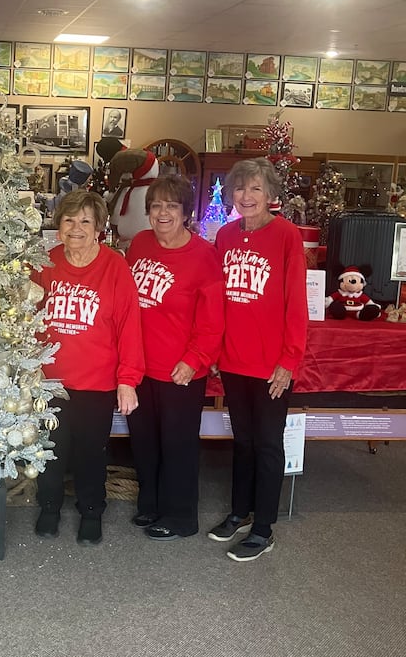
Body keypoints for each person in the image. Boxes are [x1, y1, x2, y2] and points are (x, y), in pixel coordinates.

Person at [208, 157, 307, 562]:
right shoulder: (226, 236)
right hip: (233, 360)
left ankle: (264, 528)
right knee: (243, 441)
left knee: (267, 444)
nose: (246, 196)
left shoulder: (286, 236)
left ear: (270, 194)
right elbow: (216, 300)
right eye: (240, 188)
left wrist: (289, 361)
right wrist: (214, 349)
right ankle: (240, 512)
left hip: (271, 366)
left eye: (255, 189)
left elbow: (296, 304)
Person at [35, 190, 144, 545]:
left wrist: (127, 381)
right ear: (59, 226)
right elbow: (28, 319)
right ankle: (49, 507)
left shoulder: (115, 267)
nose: (77, 228)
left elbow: (129, 327)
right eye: (69, 220)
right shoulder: (45, 263)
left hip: (97, 382)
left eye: (85, 221)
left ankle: (91, 510)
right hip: (50, 380)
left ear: (99, 227)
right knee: (49, 449)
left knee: (89, 452)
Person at [125, 175, 224, 541]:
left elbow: (214, 320)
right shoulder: (139, 244)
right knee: (144, 442)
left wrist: (195, 359)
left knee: (177, 446)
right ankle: (150, 504)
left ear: (186, 213)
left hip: (180, 370)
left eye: (171, 206)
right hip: (140, 368)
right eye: (156, 205)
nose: (162, 212)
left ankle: (181, 516)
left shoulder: (203, 256)